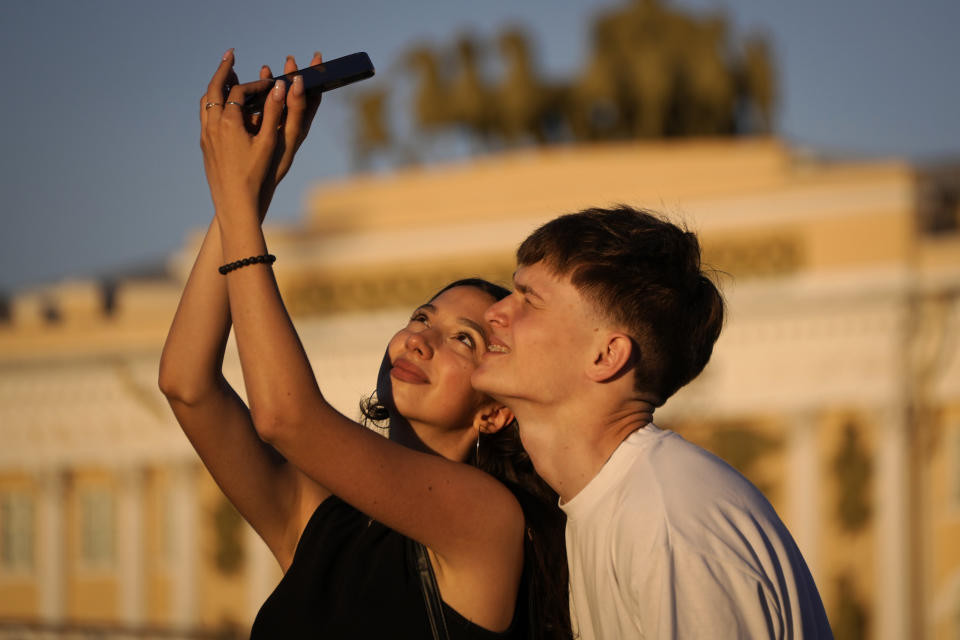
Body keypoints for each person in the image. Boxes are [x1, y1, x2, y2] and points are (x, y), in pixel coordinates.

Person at [158, 49, 570, 640]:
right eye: (421, 316)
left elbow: (284, 417)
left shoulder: (486, 520)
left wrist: (238, 198)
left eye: (462, 338)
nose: (419, 339)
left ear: (495, 411)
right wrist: (249, 193)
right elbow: (187, 386)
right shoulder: (322, 523)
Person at [472, 206, 833, 639]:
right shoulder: (618, 506)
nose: (495, 312)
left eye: (530, 298)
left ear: (606, 356)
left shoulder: (669, 519)